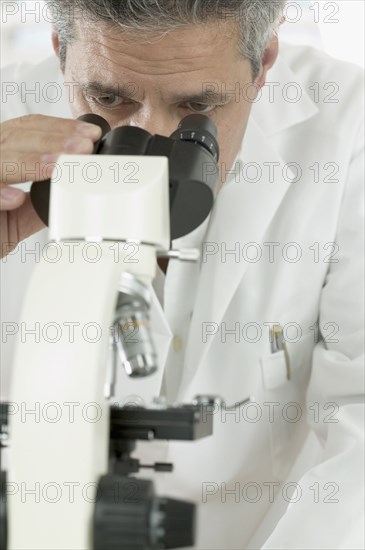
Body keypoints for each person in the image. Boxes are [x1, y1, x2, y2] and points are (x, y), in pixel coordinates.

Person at [1, 1, 364, 548]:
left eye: (199, 104)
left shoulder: (348, 123)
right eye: (107, 98)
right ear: (58, 48)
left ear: (263, 62)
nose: (152, 138)